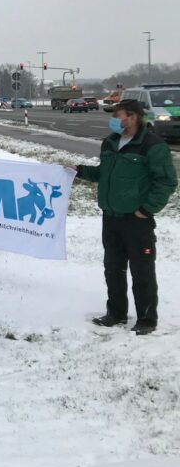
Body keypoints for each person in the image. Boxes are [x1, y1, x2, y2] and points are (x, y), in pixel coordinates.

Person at [73, 100, 177, 335]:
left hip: (136, 221)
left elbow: (167, 181)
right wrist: (78, 170)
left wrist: (147, 209)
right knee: (113, 268)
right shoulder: (110, 142)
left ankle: (147, 319)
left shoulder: (152, 145)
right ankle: (116, 313)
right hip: (111, 217)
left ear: (132, 117)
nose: (113, 120)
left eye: (117, 115)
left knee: (142, 271)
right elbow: (102, 173)